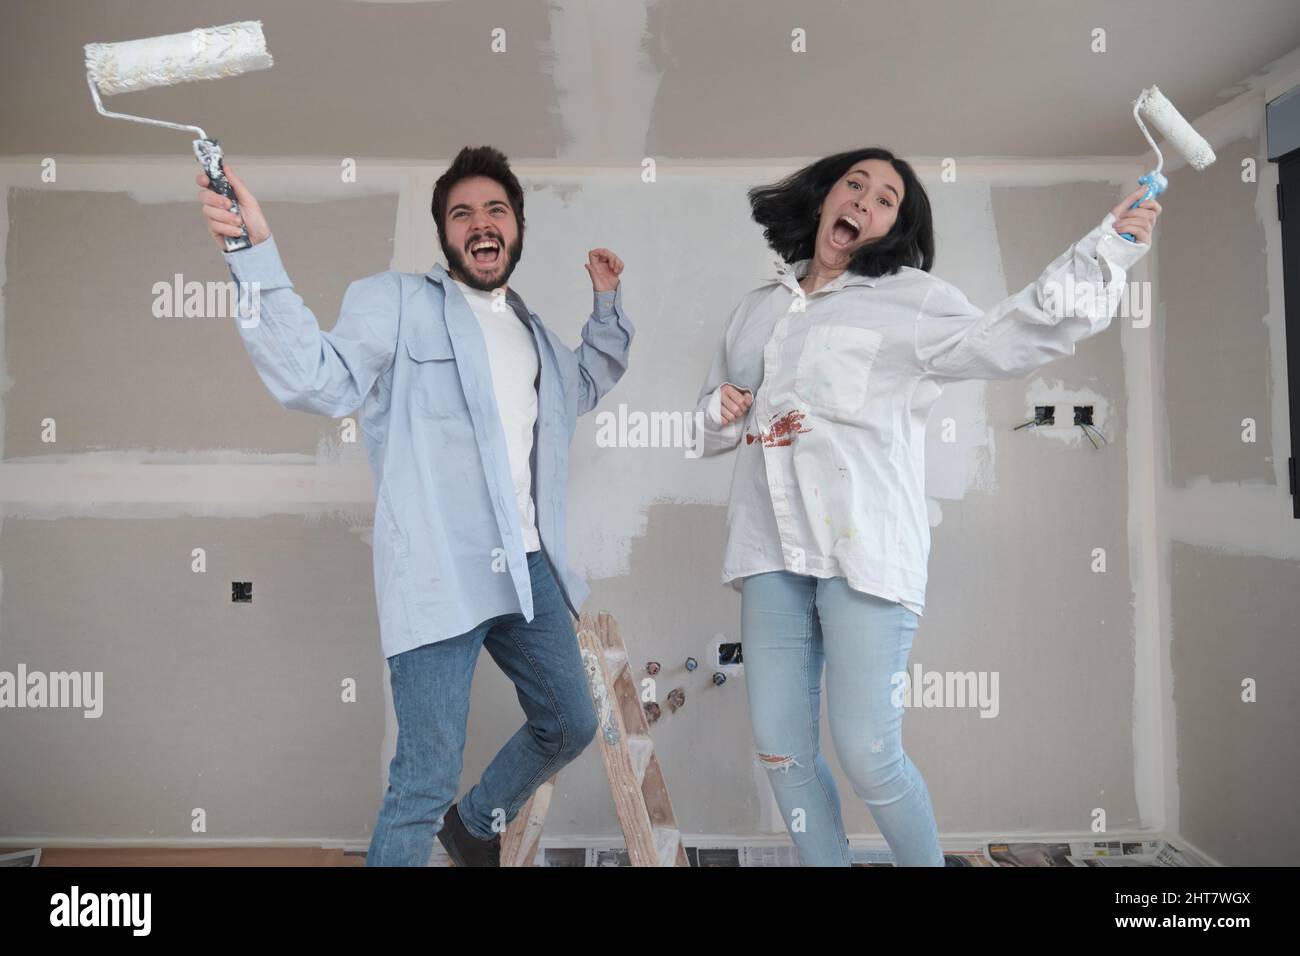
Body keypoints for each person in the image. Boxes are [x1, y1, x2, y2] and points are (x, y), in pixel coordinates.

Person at [693, 147, 1158, 866]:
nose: (865, 202)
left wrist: (1103, 254)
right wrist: (720, 409)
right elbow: (717, 423)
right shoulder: (756, 310)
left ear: (893, 227)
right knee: (782, 750)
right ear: (824, 199)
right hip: (769, 549)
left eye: (886, 199)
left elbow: (1008, 336)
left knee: (868, 753)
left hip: (865, 553)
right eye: (855, 185)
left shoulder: (911, 300)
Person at [196, 145, 633, 867]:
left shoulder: (534, 340)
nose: (480, 222)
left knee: (570, 722)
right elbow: (319, 378)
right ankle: (443, 822)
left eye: (496, 209)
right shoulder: (396, 303)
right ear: (445, 236)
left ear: (517, 228)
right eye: (461, 212)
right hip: (437, 573)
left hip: (527, 570)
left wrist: (608, 306)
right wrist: (254, 254)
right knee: (422, 781)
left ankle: (475, 824)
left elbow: (584, 382)